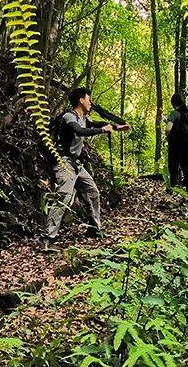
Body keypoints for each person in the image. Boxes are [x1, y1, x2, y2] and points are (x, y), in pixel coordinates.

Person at [43, 87, 129, 249]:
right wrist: (102, 130)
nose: (90, 102)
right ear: (81, 100)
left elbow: (99, 124)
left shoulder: (84, 118)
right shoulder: (69, 116)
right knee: (63, 198)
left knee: (92, 192)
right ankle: (49, 239)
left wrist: (117, 127)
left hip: (76, 164)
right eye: (88, 99)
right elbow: (80, 131)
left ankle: (94, 229)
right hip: (64, 163)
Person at [165, 92, 188, 194]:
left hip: (174, 145)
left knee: (173, 167)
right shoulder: (187, 115)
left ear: (174, 103)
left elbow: (168, 129)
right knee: (186, 168)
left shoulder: (174, 113)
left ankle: (171, 190)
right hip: (185, 146)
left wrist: (167, 135)